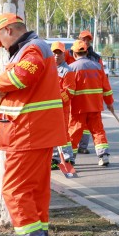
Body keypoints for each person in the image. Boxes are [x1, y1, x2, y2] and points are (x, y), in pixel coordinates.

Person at [0, 13, 67, 236]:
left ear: (8, 30)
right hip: (31, 131)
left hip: (27, 134)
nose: (2, 47)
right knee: (35, 190)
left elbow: (21, 79)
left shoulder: (33, 49)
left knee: (15, 190)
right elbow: (25, 96)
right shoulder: (28, 49)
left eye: (1, 40)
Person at [68, 39, 114, 166]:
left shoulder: (71, 68)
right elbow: (106, 88)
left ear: (74, 53)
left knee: (74, 132)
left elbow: (69, 90)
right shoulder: (98, 67)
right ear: (86, 52)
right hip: (95, 106)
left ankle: (70, 159)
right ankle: (103, 156)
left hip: (78, 108)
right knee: (98, 130)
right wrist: (109, 103)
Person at [69, 30, 102, 154]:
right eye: (84, 39)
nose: (86, 41)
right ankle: (73, 151)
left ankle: (77, 150)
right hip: (79, 99)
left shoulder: (96, 58)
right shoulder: (69, 53)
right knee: (77, 127)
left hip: (84, 101)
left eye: (88, 39)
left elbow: (103, 79)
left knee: (81, 127)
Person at [50, 41, 75, 169]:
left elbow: (70, 92)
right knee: (51, 133)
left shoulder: (67, 71)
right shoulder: (48, 69)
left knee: (64, 133)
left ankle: (67, 158)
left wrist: (55, 96)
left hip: (62, 108)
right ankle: (54, 158)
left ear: (64, 54)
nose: (56, 55)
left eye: (59, 53)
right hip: (49, 107)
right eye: (54, 53)